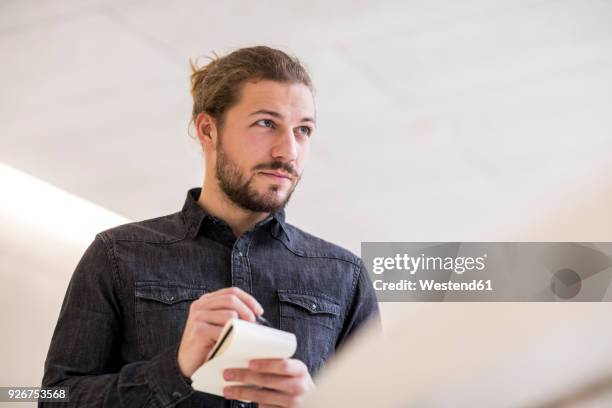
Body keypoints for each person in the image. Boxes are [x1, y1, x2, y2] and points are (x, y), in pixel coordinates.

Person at [41, 45, 380, 408]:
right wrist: (174, 369)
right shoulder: (117, 255)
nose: (289, 151)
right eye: (266, 123)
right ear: (208, 130)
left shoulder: (344, 276)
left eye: (303, 130)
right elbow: (52, 398)